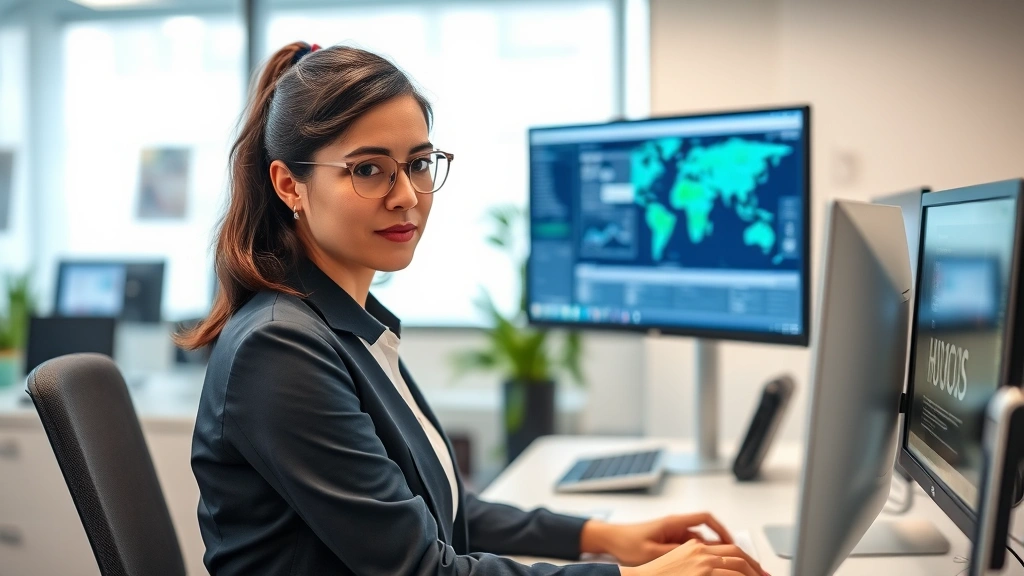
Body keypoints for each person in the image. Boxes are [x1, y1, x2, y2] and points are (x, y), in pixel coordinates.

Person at [178, 41, 768, 576]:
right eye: (368, 170)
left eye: (418, 163)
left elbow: (441, 505)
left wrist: (601, 537)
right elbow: (421, 569)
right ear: (289, 185)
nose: (406, 196)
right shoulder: (280, 348)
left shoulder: (348, 326)